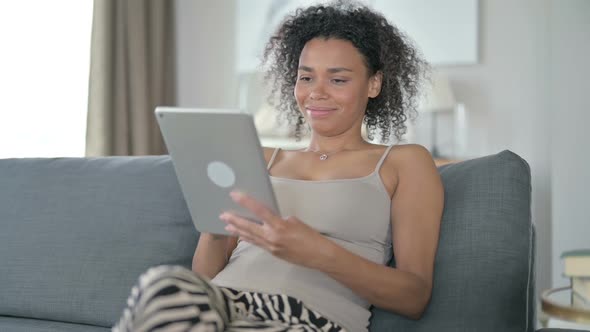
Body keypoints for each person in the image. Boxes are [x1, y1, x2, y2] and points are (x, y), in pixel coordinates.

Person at [113, 1, 443, 331]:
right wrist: (216, 223)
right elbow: (203, 279)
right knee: (162, 284)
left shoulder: (404, 162)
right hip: (222, 307)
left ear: (373, 84)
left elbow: (414, 297)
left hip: (306, 320)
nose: (317, 93)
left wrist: (317, 252)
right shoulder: (257, 155)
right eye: (306, 77)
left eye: (338, 80)